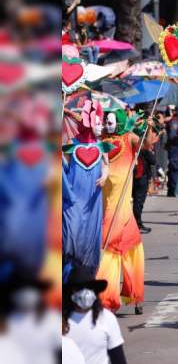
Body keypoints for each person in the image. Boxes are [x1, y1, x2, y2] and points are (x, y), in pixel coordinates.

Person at [96, 109, 145, 314]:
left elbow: (146, 142)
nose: (108, 124)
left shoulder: (128, 138)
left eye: (111, 121)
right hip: (106, 207)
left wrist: (148, 127)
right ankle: (111, 297)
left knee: (124, 252)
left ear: (120, 122)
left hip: (123, 208)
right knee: (114, 252)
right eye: (106, 121)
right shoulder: (101, 141)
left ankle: (126, 296)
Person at [63, 100, 110, 278]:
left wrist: (104, 176)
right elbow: (63, 165)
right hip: (73, 198)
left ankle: (85, 274)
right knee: (71, 234)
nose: (101, 126)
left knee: (89, 234)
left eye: (102, 122)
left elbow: (106, 165)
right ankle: (67, 271)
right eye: (98, 122)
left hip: (92, 198)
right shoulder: (72, 143)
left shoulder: (101, 145)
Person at [63, 266, 127, 364]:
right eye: (79, 288)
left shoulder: (106, 318)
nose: (84, 293)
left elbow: (118, 359)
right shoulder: (61, 322)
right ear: (71, 292)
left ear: (95, 291)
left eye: (89, 287)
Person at [165, 107, 178, 197]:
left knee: (174, 167)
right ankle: (173, 189)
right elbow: (172, 135)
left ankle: (173, 189)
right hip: (175, 146)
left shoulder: (177, 120)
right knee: (174, 167)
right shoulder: (175, 121)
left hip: (177, 147)